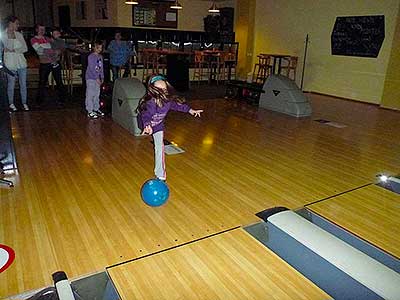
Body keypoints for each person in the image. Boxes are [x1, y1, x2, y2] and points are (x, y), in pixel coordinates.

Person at [137, 75, 203, 181]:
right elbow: (145, 115)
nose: (162, 91)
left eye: (164, 89)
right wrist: (147, 125)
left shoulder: (167, 101)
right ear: (153, 90)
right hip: (144, 123)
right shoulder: (150, 103)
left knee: (159, 147)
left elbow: (178, 106)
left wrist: (191, 110)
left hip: (158, 126)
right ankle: (146, 130)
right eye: (159, 89)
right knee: (147, 128)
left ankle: (160, 174)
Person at [31, 24, 67, 106]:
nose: (42, 31)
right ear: (36, 30)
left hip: (55, 62)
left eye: (43, 29)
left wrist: (59, 51)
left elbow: (60, 46)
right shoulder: (33, 40)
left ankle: (62, 99)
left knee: (59, 81)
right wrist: (54, 51)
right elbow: (40, 51)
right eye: (40, 29)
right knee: (42, 82)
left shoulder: (48, 38)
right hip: (45, 63)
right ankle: (39, 101)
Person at [1, 16, 28, 111]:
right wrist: (9, 48)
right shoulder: (3, 35)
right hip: (9, 63)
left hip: (21, 62)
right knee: (11, 84)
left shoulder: (19, 35)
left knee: (23, 84)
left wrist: (13, 50)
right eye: (16, 23)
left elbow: (25, 48)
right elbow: (4, 48)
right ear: (10, 24)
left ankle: (24, 102)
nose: (18, 25)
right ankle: (11, 103)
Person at [85, 40, 104, 119]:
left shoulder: (100, 57)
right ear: (94, 48)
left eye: (101, 48)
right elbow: (92, 68)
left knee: (97, 94)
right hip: (91, 78)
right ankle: (89, 111)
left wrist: (102, 77)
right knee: (90, 94)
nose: (99, 49)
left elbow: (101, 68)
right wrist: (96, 78)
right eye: (98, 48)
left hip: (97, 79)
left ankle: (96, 108)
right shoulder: (91, 57)